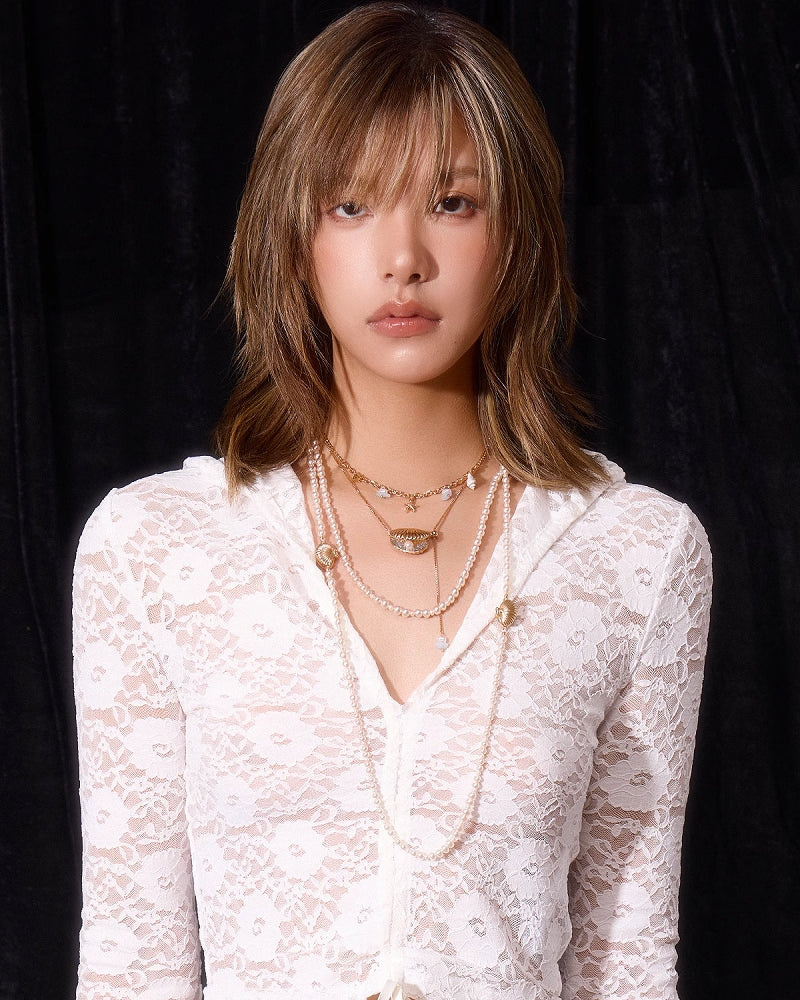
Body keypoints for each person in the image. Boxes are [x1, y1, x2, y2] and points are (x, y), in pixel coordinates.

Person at [72, 4, 712, 998]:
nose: (403, 255)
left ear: (517, 234)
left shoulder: (638, 552)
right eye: (350, 204)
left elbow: (625, 963)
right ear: (292, 236)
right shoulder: (155, 547)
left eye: (452, 202)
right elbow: (130, 964)